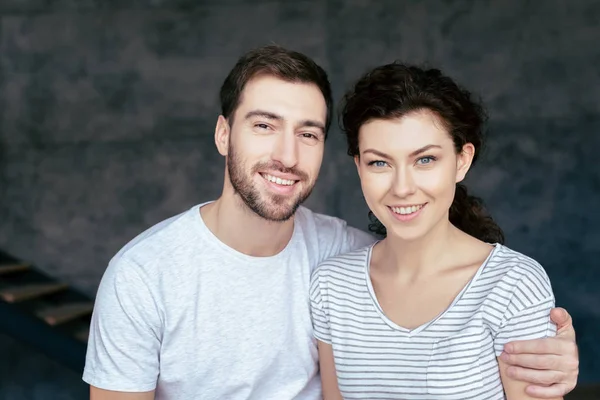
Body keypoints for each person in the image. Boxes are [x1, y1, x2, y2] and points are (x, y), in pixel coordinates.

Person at [83, 46, 578, 400]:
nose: (285, 154)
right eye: (264, 126)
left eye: (308, 133)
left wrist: (555, 355)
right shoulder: (143, 275)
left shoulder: (338, 253)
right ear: (223, 133)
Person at [310, 62, 575, 400]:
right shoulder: (332, 286)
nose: (402, 188)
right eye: (380, 162)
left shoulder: (513, 285)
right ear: (359, 166)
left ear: (461, 160)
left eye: (425, 160)